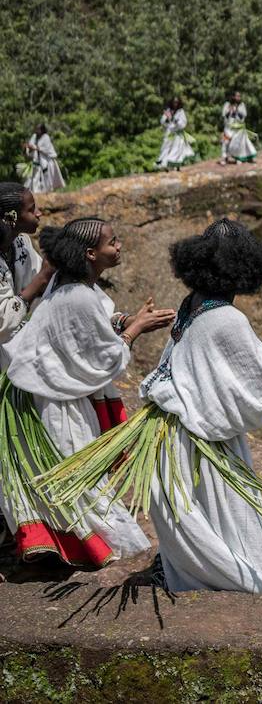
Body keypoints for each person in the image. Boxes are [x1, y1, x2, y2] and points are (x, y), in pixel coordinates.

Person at [139, 220, 262, 593]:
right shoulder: (227, 319)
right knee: (221, 509)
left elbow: (218, 377)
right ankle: (244, 579)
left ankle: (188, 566)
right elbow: (251, 395)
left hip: (177, 432)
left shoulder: (192, 306)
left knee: (198, 511)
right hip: (201, 438)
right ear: (244, 269)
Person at [0, 217, 172, 566]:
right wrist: (135, 329)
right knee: (78, 478)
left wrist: (125, 321)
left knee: (74, 478)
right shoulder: (75, 294)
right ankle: (113, 548)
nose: (119, 246)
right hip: (51, 403)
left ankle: (79, 548)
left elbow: (98, 321)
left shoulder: (78, 286)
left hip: (49, 394)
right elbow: (101, 356)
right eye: (113, 242)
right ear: (91, 253)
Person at [0, 184, 53, 346]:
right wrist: (42, 277)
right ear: (11, 218)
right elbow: (2, 323)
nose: (38, 214)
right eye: (31, 210)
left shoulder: (21, 242)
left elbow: (41, 280)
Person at [19, 124, 64, 194]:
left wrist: (35, 148)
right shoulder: (34, 137)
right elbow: (30, 148)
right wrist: (26, 148)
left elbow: (46, 149)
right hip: (36, 161)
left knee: (47, 179)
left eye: (38, 129)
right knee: (33, 178)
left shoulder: (46, 137)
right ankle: (35, 193)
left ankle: (48, 193)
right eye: (36, 129)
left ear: (42, 130)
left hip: (46, 161)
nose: (37, 131)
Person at [156, 98, 195, 172]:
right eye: (174, 102)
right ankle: (164, 165)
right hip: (170, 132)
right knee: (166, 147)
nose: (175, 104)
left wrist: (175, 120)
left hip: (178, 133)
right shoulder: (168, 111)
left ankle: (177, 166)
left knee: (177, 150)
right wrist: (167, 118)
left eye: (177, 102)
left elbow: (183, 123)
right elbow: (162, 121)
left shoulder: (181, 112)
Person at [220, 92, 256, 165]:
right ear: (233, 97)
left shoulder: (242, 105)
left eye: (239, 96)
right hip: (229, 127)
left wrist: (236, 110)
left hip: (239, 128)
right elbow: (224, 115)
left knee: (240, 143)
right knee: (226, 142)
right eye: (237, 96)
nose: (238, 98)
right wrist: (230, 111)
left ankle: (241, 158)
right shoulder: (227, 104)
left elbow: (244, 116)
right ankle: (224, 157)